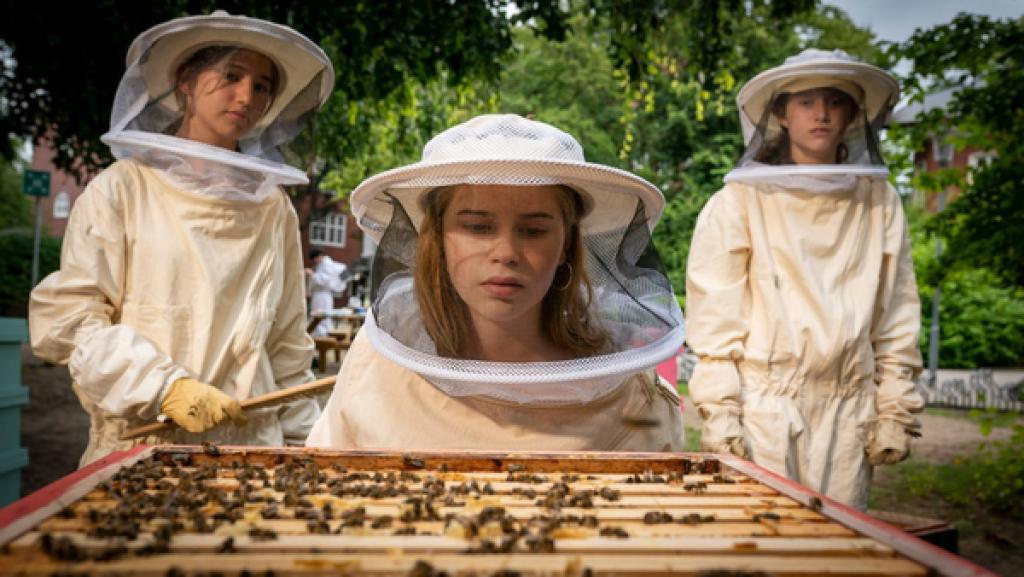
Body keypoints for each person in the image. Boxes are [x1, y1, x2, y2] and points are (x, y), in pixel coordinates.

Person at [29, 12, 335, 466]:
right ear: (185, 82)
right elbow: (70, 322)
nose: (246, 96)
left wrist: (306, 449)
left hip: (250, 450)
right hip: (142, 446)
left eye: (262, 85)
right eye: (231, 75)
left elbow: (287, 343)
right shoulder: (122, 188)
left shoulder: (273, 208)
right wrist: (164, 387)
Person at [306, 114, 686, 451]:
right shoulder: (378, 356)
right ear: (437, 240)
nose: (506, 252)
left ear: (566, 246)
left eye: (534, 230)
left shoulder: (630, 392)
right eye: (477, 227)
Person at [685, 49, 924, 509]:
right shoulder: (738, 201)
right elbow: (716, 311)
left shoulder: (879, 201)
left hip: (849, 405)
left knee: (838, 548)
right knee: (766, 543)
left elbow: (895, 308)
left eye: (834, 102)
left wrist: (895, 407)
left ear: (852, 114)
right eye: (806, 102)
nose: (821, 114)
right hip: (765, 406)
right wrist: (720, 409)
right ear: (781, 114)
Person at [305, 249, 347, 338]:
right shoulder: (321, 265)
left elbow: (326, 280)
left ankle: (322, 336)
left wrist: (313, 275)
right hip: (319, 294)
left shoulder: (327, 264)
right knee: (317, 315)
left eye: (315, 258)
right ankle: (317, 336)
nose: (315, 261)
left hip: (323, 295)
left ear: (320, 256)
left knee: (322, 317)